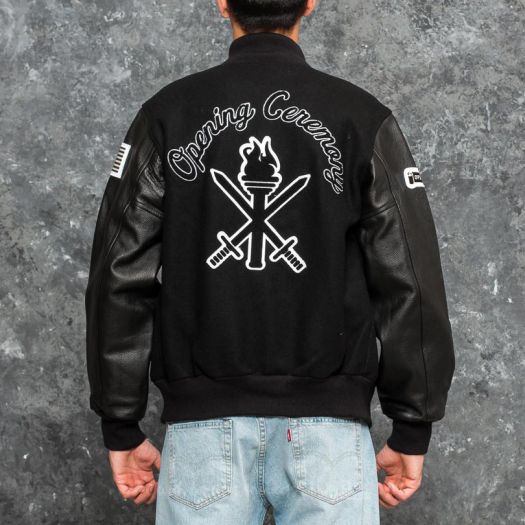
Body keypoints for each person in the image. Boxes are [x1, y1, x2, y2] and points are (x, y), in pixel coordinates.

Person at [84, 0, 455, 522]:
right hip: (329, 438)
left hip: (203, 436)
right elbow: (410, 279)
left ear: (222, 3)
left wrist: (120, 422)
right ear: (310, 2)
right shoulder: (361, 116)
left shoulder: (167, 114)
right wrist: (412, 424)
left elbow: (117, 275)